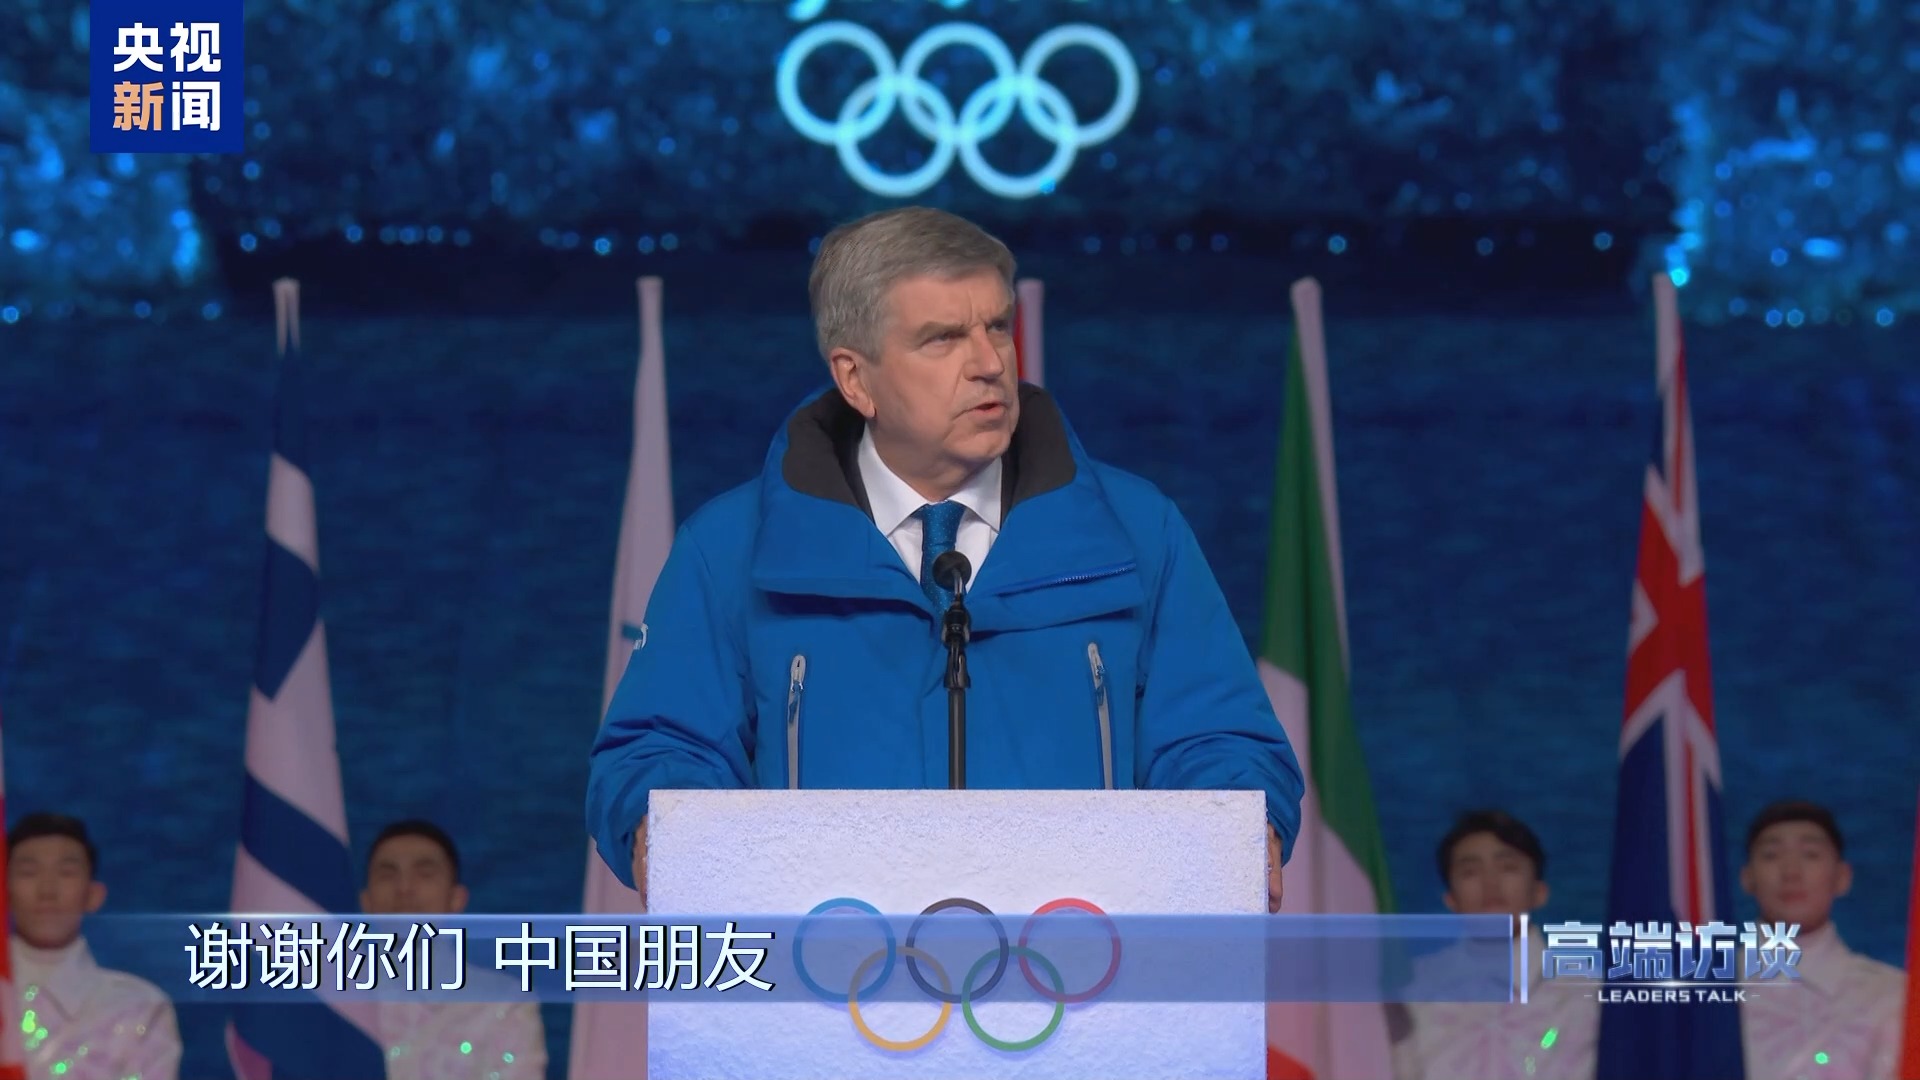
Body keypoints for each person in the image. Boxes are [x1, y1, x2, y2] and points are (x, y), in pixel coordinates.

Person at [586, 206, 1305, 910]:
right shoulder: (729, 550)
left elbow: (1217, 738)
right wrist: (660, 828)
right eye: (943, 339)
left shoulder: (1139, 531)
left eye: (997, 326)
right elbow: (661, 750)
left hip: (1081, 967)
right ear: (856, 379)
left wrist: (1242, 827)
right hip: (830, 970)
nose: (990, 363)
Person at [1391, 810, 1597, 1080]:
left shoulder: (1589, 996)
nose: (1490, 884)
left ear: (1539, 892)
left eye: (1508, 868)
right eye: (1470, 872)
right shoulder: (1410, 995)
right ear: (1451, 900)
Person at [359, 820, 547, 1080]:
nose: (404, 889)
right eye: (388, 875)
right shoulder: (331, 998)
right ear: (365, 901)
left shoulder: (504, 1001)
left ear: (457, 898)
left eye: (424, 874)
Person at [1738, 799, 1905, 1080]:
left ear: (1842, 877)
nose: (1791, 873)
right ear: (1747, 878)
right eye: (1771, 855)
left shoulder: (1892, 994)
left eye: (1811, 855)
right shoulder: (1706, 991)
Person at [6, 812, 180, 1080]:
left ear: (93, 895)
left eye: (66, 873)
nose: (47, 891)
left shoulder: (139, 1008)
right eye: (29, 873)